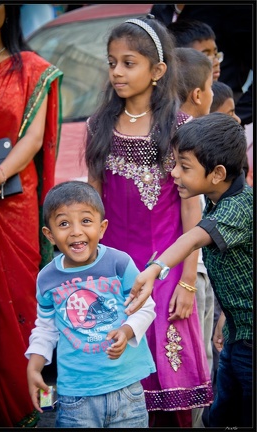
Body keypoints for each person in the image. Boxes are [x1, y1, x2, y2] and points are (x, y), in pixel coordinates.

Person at [85, 15, 213, 428]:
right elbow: (92, 203)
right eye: (112, 63)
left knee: (167, 388)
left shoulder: (179, 129)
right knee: (116, 388)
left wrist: (188, 283)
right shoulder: (98, 125)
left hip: (166, 272)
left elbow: (192, 212)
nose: (117, 72)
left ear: (158, 71)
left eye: (128, 63)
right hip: (112, 274)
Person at [125, 112, 253, 428]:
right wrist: (227, 316)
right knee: (222, 416)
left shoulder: (238, 208)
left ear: (217, 173)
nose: (175, 175)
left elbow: (193, 237)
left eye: (184, 167)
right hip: (240, 333)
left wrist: (155, 268)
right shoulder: (219, 196)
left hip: (251, 344)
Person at [0, 4, 63, 427]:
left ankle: (18, 408)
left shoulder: (31, 69)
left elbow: (34, 136)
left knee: (16, 304)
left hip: (12, 207)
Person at [25, 180, 157, 428]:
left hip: (126, 389)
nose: (76, 231)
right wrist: (34, 367)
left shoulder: (119, 263)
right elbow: (45, 327)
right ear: (50, 235)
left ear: (102, 227)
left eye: (86, 221)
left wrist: (127, 330)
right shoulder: (47, 278)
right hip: (76, 397)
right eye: (64, 223)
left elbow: (146, 307)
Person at [175, 46, 215, 428]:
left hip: (186, 266)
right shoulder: (189, 132)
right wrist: (189, 279)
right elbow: (192, 209)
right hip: (194, 269)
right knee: (198, 360)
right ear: (200, 94)